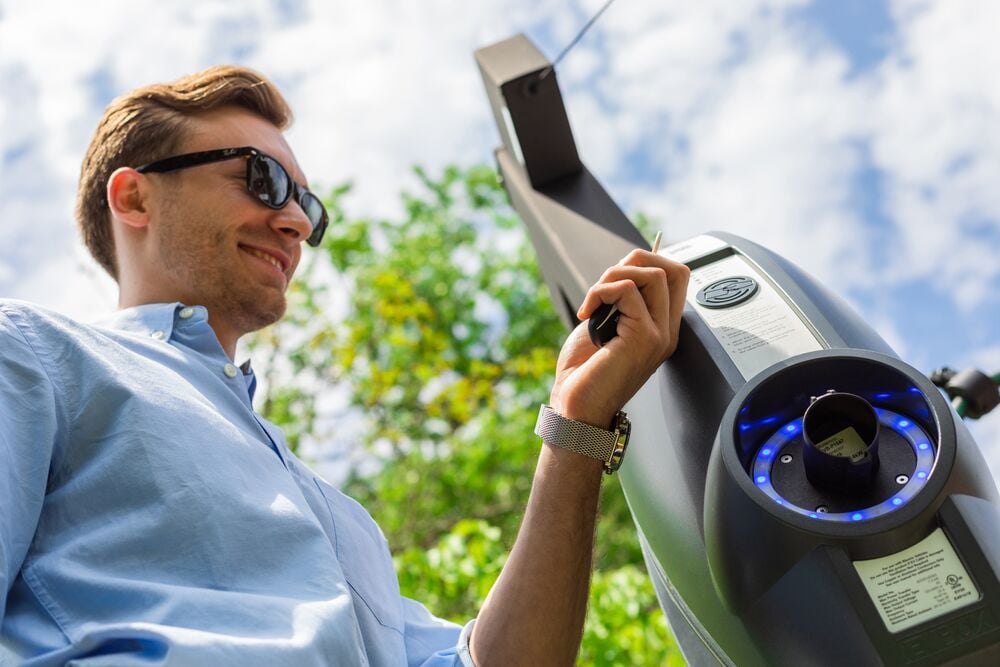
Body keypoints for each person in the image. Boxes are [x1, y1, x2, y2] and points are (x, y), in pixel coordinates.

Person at [0, 65, 689, 666]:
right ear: (134, 197)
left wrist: (577, 422)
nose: (296, 223)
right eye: (262, 179)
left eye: (306, 203)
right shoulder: (32, 355)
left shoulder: (342, 524)